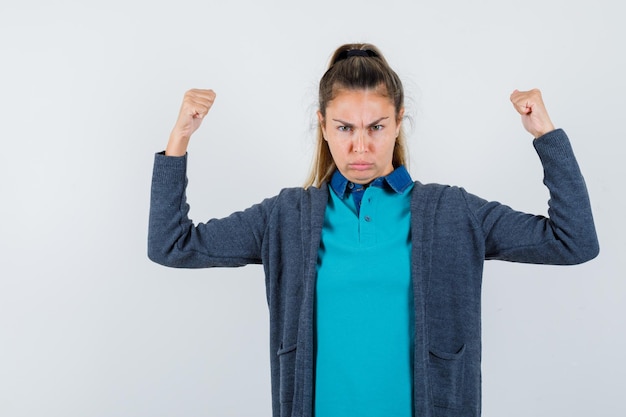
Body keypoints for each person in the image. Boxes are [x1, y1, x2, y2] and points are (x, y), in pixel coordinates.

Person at [148, 43, 599, 417]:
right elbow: (172, 244)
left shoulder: (451, 211)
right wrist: (180, 139)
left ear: (398, 121)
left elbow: (572, 241)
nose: (360, 145)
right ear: (322, 126)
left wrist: (545, 133)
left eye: (376, 127)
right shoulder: (286, 217)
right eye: (344, 127)